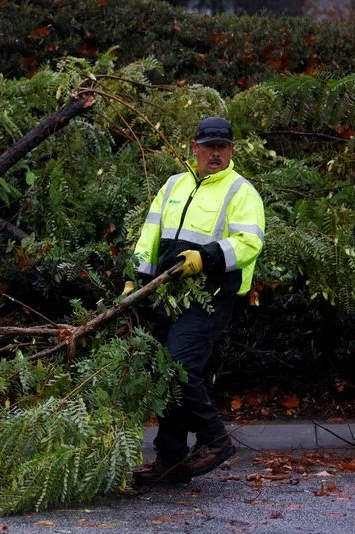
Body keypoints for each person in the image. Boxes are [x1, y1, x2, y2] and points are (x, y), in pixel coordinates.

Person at [123, 116, 265, 484]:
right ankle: (170, 460)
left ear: (232, 150)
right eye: (208, 147)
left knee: (179, 366)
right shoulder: (173, 185)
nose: (215, 153)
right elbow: (149, 235)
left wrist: (206, 257)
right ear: (194, 148)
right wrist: (134, 278)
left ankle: (215, 439)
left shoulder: (241, 191)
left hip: (210, 297)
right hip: (166, 294)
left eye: (222, 147)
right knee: (163, 372)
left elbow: (250, 243)